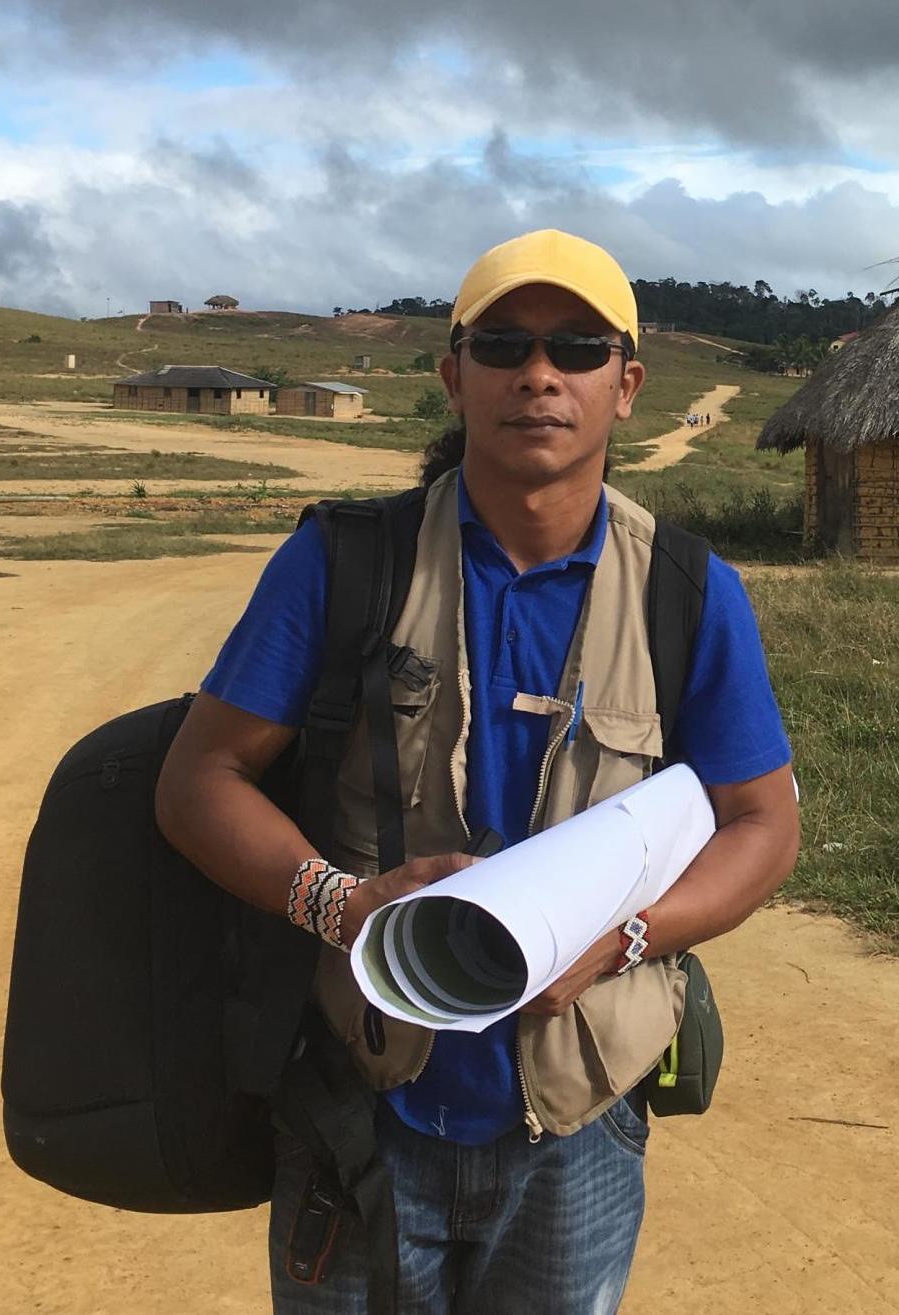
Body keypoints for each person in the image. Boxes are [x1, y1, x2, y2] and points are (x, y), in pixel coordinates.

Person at [157, 228, 800, 1313]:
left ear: (627, 385)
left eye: (578, 349)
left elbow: (763, 825)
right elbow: (199, 779)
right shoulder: (340, 565)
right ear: (454, 375)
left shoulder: (689, 595)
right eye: (503, 345)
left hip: (579, 1127)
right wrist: (341, 904)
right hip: (361, 1106)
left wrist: (621, 944)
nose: (539, 374)